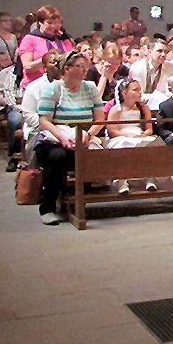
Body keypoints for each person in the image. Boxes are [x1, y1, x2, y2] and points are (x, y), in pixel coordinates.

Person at [34, 50, 105, 225]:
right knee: (59, 157)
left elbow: (100, 119)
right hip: (56, 138)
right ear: (67, 68)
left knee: (95, 157)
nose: (84, 70)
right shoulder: (53, 88)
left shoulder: (90, 87)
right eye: (80, 66)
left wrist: (88, 135)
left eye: (85, 66)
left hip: (84, 136)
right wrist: (63, 138)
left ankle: (78, 199)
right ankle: (48, 206)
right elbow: (44, 120)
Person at [105, 79, 163, 194]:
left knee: (153, 144)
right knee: (123, 145)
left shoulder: (143, 108)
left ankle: (150, 179)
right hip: (121, 136)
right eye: (135, 90)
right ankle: (122, 182)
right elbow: (112, 130)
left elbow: (149, 129)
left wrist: (143, 134)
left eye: (140, 90)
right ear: (124, 93)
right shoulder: (116, 109)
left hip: (139, 134)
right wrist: (127, 134)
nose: (139, 92)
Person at [16, 5, 74, 89]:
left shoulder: (64, 39)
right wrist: (46, 59)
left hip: (60, 86)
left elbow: (71, 62)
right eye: (49, 23)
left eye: (56, 22)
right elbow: (28, 67)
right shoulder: (29, 39)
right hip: (35, 87)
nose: (53, 26)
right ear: (40, 22)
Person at [129, 40, 173, 109]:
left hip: (164, 107)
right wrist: (156, 97)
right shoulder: (137, 67)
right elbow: (137, 94)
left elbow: (172, 93)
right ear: (150, 51)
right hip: (138, 106)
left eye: (166, 52)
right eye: (159, 51)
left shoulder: (171, 67)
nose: (163, 54)